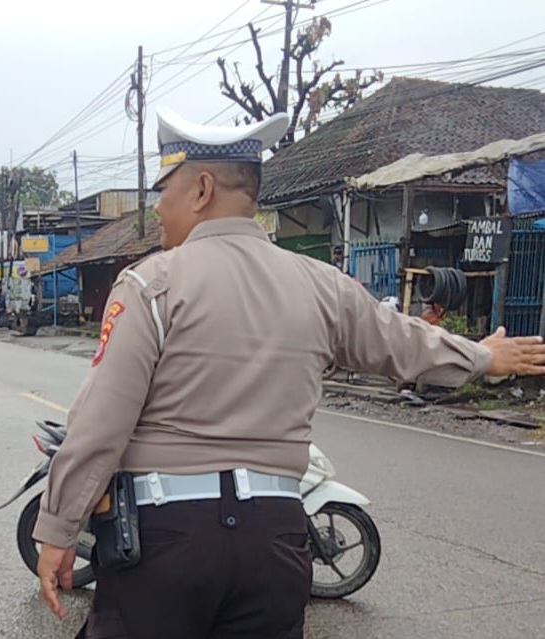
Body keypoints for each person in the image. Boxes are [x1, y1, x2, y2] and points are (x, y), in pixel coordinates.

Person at [33, 106, 545, 639]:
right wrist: (481, 356)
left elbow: (100, 423)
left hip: (166, 540)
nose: (157, 206)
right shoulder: (323, 285)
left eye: (164, 189)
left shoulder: (150, 285)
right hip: (275, 540)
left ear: (202, 189)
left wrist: (59, 529)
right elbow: (402, 342)